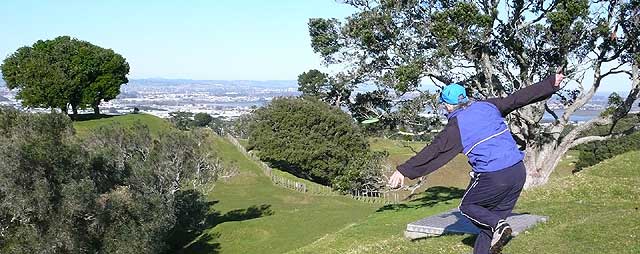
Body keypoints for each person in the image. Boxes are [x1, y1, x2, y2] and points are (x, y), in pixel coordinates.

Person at [388, 73, 565, 254]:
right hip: (518, 172)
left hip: (494, 176)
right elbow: (518, 98)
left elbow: (432, 151)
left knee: (468, 207)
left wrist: (403, 171)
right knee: (489, 228)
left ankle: (498, 224)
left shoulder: (456, 127)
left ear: (448, 106)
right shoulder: (488, 105)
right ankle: (496, 229)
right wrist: (550, 83)